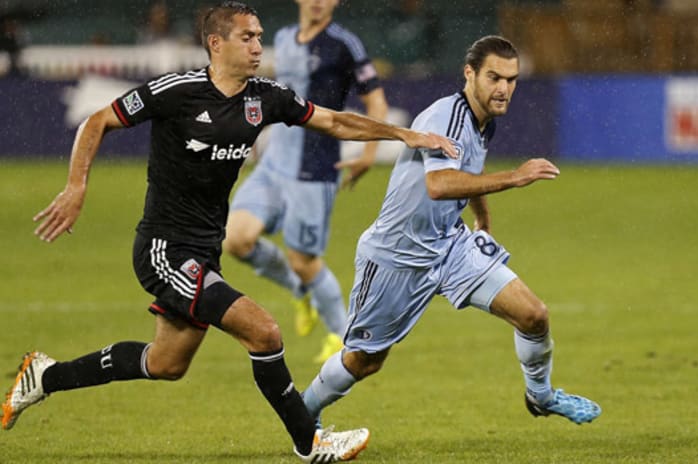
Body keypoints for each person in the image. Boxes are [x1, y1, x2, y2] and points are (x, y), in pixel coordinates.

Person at [1, 2, 455, 462]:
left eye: (260, 36)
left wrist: (404, 135)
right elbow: (97, 120)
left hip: (203, 250)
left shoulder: (266, 97)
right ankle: (311, 442)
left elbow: (333, 120)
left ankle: (44, 377)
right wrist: (76, 186)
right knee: (264, 332)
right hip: (165, 250)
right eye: (247, 38)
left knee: (166, 363)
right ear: (216, 44)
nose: (259, 46)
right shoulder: (177, 91)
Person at [301, 36, 602, 433]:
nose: (504, 88)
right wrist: (515, 177)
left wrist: (483, 217)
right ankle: (301, 416)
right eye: (494, 77)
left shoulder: (483, 121)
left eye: (511, 80)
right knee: (365, 360)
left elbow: (468, 174)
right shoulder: (446, 116)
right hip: (397, 255)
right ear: (469, 73)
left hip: (450, 245)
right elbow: (439, 185)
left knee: (533, 315)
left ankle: (541, 396)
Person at [223, 0, 389, 364]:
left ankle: (343, 340)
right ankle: (299, 290)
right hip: (273, 163)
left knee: (304, 259)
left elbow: (376, 102)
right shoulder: (282, 38)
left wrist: (369, 154)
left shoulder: (344, 44)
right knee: (235, 239)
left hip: (314, 167)